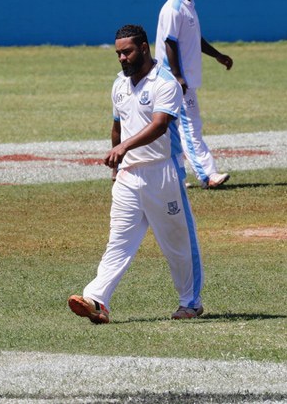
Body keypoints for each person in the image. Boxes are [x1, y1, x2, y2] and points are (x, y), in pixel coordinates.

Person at [68, 24, 205, 324]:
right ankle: (96, 300)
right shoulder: (119, 84)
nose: (122, 58)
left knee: (177, 242)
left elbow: (159, 125)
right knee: (118, 241)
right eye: (118, 53)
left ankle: (190, 303)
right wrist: (116, 169)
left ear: (144, 48)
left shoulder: (165, 83)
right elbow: (117, 128)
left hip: (162, 173)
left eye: (127, 52)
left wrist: (123, 148)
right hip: (128, 176)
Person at [155, 0, 232, 189]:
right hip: (177, 81)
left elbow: (194, 38)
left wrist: (217, 55)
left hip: (178, 80)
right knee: (190, 128)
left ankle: (173, 179)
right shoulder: (174, 8)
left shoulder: (187, 6)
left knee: (171, 133)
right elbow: (169, 42)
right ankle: (208, 176)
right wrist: (177, 77)